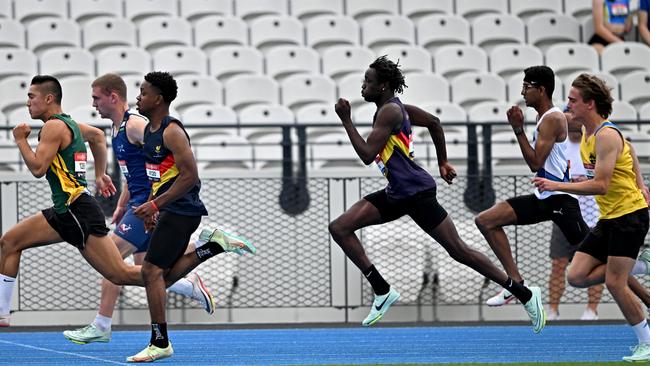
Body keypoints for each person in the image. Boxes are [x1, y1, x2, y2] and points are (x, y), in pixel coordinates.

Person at [329, 56, 545, 333]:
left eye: (368, 82)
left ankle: (524, 293)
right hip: (399, 192)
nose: (363, 87)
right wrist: (442, 162)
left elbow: (367, 155)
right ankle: (382, 289)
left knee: (458, 251)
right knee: (340, 227)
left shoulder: (390, 112)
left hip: (415, 193)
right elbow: (433, 122)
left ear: (383, 85)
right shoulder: (396, 108)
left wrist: (346, 120)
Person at [62, 73, 215, 345]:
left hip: (148, 207)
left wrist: (155, 204)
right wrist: (122, 203)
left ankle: (102, 324)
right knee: (149, 274)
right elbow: (135, 171)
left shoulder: (135, 125)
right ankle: (186, 284)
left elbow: (160, 161)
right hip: (138, 205)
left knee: (111, 262)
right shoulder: (118, 128)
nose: (93, 103)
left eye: (97, 97)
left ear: (113, 97)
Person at [126, 71, 256, 363]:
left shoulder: (172, 131)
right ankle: (213, 246)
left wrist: (156, 206)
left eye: (143, 92)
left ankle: (160, 343)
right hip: (168, 209)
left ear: (158, 99)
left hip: (183, 211)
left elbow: (189, 177)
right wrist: (149, 207)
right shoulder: (149, 132)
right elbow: (158, 177)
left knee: (150, 273)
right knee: (163, 277)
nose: (138, 97)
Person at [533, 73, 650, 362]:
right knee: (576, 275)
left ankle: (646, 341)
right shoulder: (587, 133)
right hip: (609, 218)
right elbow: (630, 149)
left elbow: (601, 185)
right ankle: (641, 264)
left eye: (573, 100)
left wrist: (557, 184)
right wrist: (640, 179)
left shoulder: (606, 135)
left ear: (590, 104)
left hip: (629, 216)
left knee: (614, 282)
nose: (567, 105)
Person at [475, 66, 590, 309]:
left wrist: (517, 129)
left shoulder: (551, 119)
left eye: (527, 87)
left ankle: (636, 269)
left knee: (599, 258)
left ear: (542, 90)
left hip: (560, 200)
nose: (523, 91)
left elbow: (535, 163)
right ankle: (515, 285)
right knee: (485, 221)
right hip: (544, 197)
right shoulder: (546, 117)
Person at [547, 113, 603, 321]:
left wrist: (585, 181)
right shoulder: (558, 145)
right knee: (558, 264)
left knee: (594, 264)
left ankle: (592, 310)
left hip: (592, 216)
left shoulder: (595, 143)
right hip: (564, 215)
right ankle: (552, 310)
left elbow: (605, 175)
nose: (572, 121)